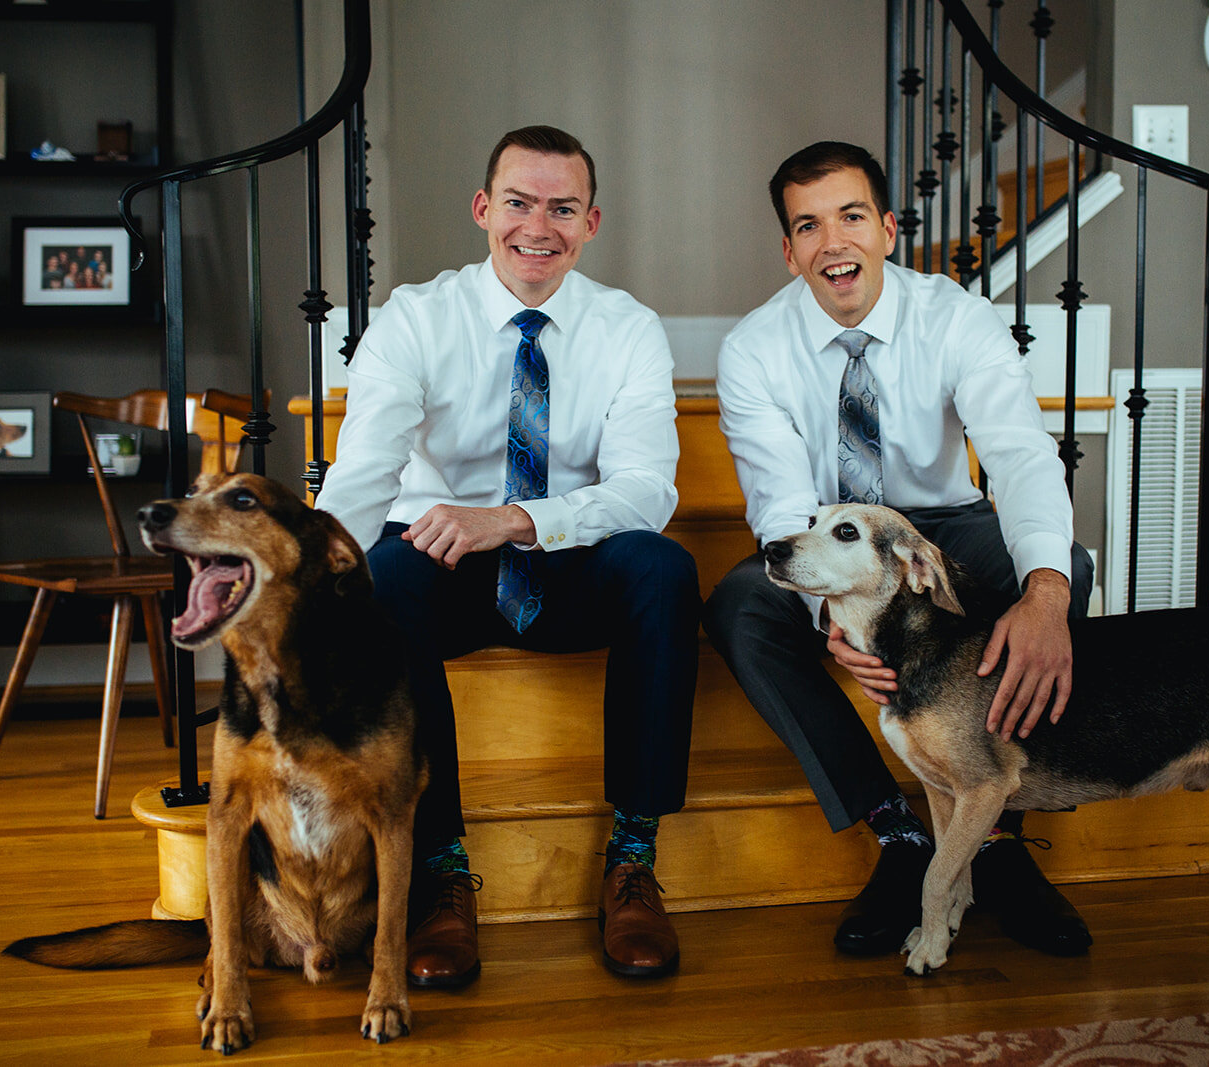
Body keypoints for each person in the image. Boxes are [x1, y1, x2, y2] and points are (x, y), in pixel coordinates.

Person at [315, 125, 699, 984]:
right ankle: (442, 873)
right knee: (380, 578)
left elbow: (647, 491)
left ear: (591, 222)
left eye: (563, 208)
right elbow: (366, 470)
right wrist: (309, 589)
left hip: (563, 559)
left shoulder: (628, 329)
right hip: (439, 563)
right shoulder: (416, 319)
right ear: (484, 210)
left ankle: (633, 860)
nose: (540, 226)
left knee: (664, 567)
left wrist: (517, 518)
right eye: (519, 202)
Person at [703, 141, 1095, 961]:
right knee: (742, 604)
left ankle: (995, 835)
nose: (832, 242)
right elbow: (780, 509)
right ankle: (899, 836)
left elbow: (1020, 457)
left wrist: (1049, 590)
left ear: (886, 228)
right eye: (808, 226)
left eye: (850, 217)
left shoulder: (955, 315)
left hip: (944, 523)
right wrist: (833, 619)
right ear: (789, 250)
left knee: (1063, 570)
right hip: (829, 533)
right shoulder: (752, 348)